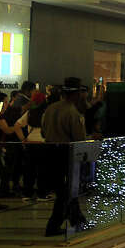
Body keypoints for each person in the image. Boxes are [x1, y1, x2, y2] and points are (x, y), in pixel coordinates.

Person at [41, 77, 89, 236]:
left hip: (49, 152)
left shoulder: (50, 109)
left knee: (65, 190)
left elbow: (43, 131)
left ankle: (78, 220)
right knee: (67, 191)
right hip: (66, 154)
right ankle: (53, 225)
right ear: (76, 94)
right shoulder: (73, 112)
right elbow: (79, 138)